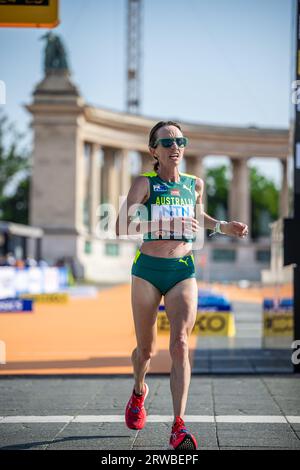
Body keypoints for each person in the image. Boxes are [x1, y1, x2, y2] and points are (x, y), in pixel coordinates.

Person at [115, 121, 248, 450]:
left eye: (181, 141)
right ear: (154, 151)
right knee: (145, 350)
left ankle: (178, 425)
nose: (176, 146)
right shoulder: (144, 183)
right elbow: (121, 225)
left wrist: (222, 227)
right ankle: (138, 390)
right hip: (147, 270)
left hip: (183, 269)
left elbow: (197, 217)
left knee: (181, 345)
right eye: (168, 142)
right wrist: (164, 222)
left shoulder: (195, 184)